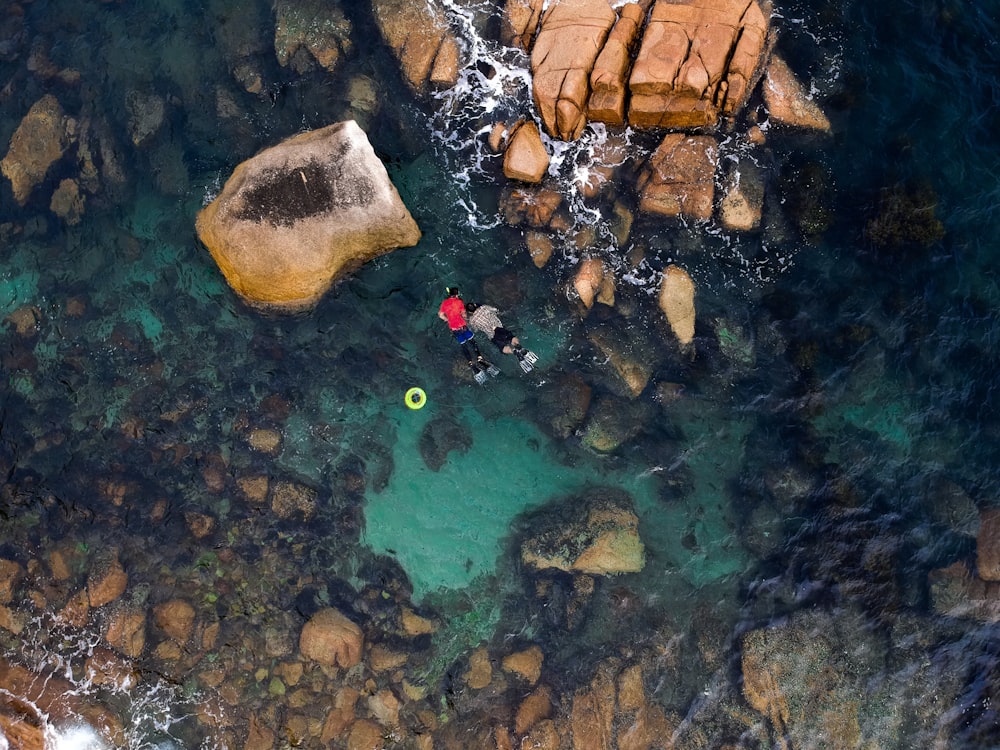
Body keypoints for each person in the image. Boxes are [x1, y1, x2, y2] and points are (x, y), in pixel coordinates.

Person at [438, 287, 499, 384]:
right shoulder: (459, 302)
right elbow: (464, 315)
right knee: (472, 341)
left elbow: (440, 315)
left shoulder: (444, 303)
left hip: (454, 329)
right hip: (463, 326)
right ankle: (479, 357)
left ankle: (471, 363)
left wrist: (448, 320)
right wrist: (466, 319)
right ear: (457, 294)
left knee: (463, 345)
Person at [464, 301, 538, 373]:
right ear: (475, 305)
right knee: (511, 338)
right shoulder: (484, 308)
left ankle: (514, 351)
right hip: (499, 328)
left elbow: (476, 330)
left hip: (492, 336)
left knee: (503, 348)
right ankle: (518, 346)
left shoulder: (472, 320)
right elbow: (496, 310)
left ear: (470, 312)